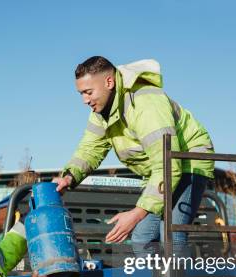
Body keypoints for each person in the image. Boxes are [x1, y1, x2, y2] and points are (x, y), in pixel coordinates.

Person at [53, 56, 215, 253]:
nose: (84, 100)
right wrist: (69, 176)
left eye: (88, 92)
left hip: (188, 161)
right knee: (143, 237)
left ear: (109, 82)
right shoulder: (101, 113)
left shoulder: (145, 103)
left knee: (170, 232)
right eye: (81, 94)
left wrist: (137, 213)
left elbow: (169, 165)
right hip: (161, 170)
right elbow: (90, 149)